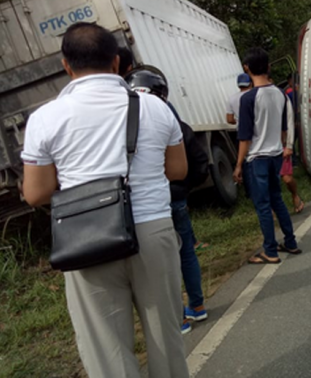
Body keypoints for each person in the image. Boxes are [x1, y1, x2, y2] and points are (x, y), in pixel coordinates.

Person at [21, 22, 190, 378]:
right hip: (152, 232)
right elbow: (177, 171)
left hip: (87, 238)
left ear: (66, 66)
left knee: (106, 348)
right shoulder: (156, 108)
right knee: (166, 336)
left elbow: (35, 193)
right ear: (116, 62)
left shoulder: (44, 119)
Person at [126, 69, 210, 334]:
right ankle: (196, 306)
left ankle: (179, 318)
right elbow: (199, 164)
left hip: (146, 209)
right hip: (175, 201)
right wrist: (183, 189)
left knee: (163, 263)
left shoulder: (115, 121)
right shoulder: (171, 121)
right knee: (186, 253)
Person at [233, 48, 300, 264]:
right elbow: (283, 128)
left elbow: (244, 137)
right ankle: (290, 241)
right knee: (277, 199)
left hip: (257, 158)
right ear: (269, 67)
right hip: (275, 155)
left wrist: (238, 165)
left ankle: (270, 250)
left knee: (263, 205)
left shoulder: (248, 98)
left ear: (246, 68)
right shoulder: (280, 94)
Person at [268, 74, 304, 214]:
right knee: (267, 181)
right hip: (264, 149)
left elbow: (289, 119)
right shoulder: (253, 98)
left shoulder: (281, 97)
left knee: (287, 179)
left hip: (281, 145)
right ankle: (271, 208)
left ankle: (295, 195)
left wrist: (289, 145)